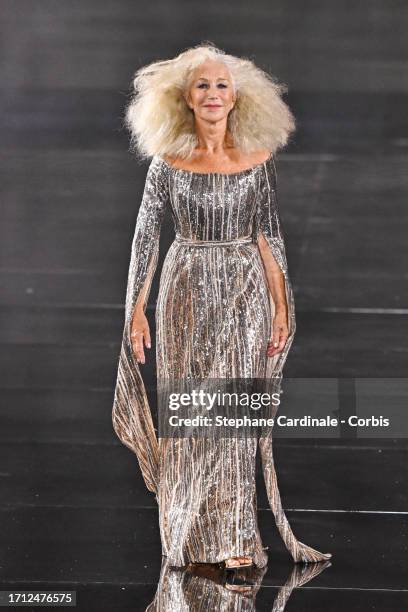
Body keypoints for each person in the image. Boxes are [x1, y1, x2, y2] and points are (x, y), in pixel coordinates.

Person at [112, 42, 332, 569]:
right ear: (185, 99)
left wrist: (281, 308)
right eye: (202, 86)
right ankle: (186, 529)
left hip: (244, 291)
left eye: (222, 85)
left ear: (239, 98)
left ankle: (234, 539)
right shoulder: (166, 163)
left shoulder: (258, 161)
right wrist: (135, 311)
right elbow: (146, 238)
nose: (213, 94)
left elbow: (269, 235)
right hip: (186, 287)